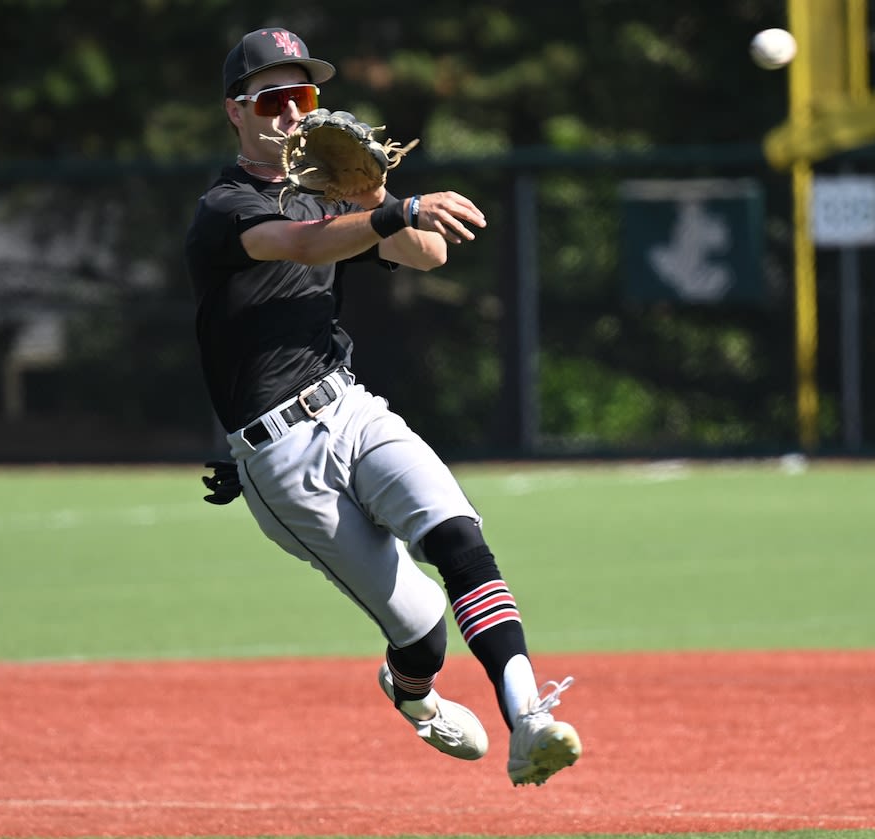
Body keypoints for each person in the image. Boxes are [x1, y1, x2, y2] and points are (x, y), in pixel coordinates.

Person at [184, 25, 582, 787]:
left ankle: (529, 719)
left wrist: (373, 196)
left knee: (459, 536)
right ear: (235, 112)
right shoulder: (225, 207)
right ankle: (413, 694)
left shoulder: (332, 197)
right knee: (422, 632)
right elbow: (301, 246)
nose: (290, 113)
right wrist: (392, 208)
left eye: (303, 96)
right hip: (282, 458)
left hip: (353, 408)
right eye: (270, 98)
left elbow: (423, 254)